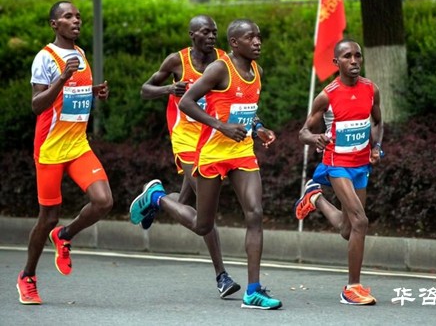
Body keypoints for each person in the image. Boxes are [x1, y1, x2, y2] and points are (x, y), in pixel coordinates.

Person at [130, 19, 281, 310]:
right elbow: (186, 102)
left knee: (255, 213)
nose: (258, 42)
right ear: (236, 43)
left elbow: (247, 109)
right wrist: (220, 126)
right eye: (251, 37)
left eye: (259, 37)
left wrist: (259, 127)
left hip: (242, 151)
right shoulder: (218, 68)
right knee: (203, 224)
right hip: (209, 150)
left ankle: (253, 290)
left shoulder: (257, 71)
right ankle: (157, 198)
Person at [137, 15, 241, 299]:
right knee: (205, 211)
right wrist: (169, 89)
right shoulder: (176, 61)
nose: (211, 36)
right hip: (185, 138)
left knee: (186, 202)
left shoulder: (225, 60)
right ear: (192, 35)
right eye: (206, 32)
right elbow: (145, 90)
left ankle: (156, 198)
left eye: (215, 32)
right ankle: (222, 276)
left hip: (212, 139)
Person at [16, 1, 112, 305]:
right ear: (54, 25)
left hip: (78, 145)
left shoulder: (81, 54)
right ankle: (27, 276)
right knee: (47, 217)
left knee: (104, 201)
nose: (76, 21)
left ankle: (65, 235)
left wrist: (93, 91)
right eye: (68, 17)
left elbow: (71, 94)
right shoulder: (45, 58)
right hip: (51, 148)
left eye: (78, 16)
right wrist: (61, 78)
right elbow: (37, 105)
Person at [295, 39, 384, 306]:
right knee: (360, 221)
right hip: (337, 164)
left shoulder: (371, 89)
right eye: (347, 56)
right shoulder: (328, 95)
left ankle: (315, 198)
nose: (354, 61)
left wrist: (376, 146)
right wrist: (316, 139)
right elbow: (303, 133)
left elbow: (378, 122)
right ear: (337, 63)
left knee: (348, 229)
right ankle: (352, 288)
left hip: (360, 165)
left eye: (358, 55)